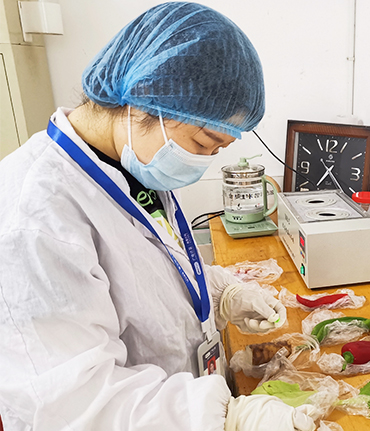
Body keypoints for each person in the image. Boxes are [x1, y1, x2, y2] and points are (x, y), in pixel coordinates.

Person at [0, 3, 315, 430]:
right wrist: (227, 418)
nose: (202, 161)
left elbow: (147, 272)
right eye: (203, 143)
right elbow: (74, 405)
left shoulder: (130, 162)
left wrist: (221, 293)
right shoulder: (34, 218)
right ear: (145, 98)